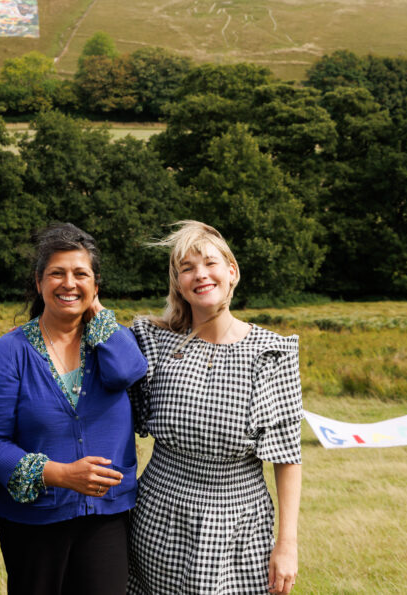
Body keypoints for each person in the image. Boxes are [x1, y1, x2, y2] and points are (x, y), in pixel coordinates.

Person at [127, 220, 302, 595]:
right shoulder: (153, 342)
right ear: (178, 285)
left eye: (209, 263)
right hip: (160, 516)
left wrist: (286, 544)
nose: (200, 275)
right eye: (186, 268)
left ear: (232, 271)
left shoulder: (272, 353)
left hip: (241, 527)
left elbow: (287, 457)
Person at [0, 223, 147, 595]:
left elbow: (127, 371)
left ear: (96, 285)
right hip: (34, 519)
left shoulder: (112, 343)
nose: (69, 283)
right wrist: (61, 474)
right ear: (39, 282)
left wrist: (96, 313)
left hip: (107, 517)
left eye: (81, 274)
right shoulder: (11, 351)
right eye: (57, 273)